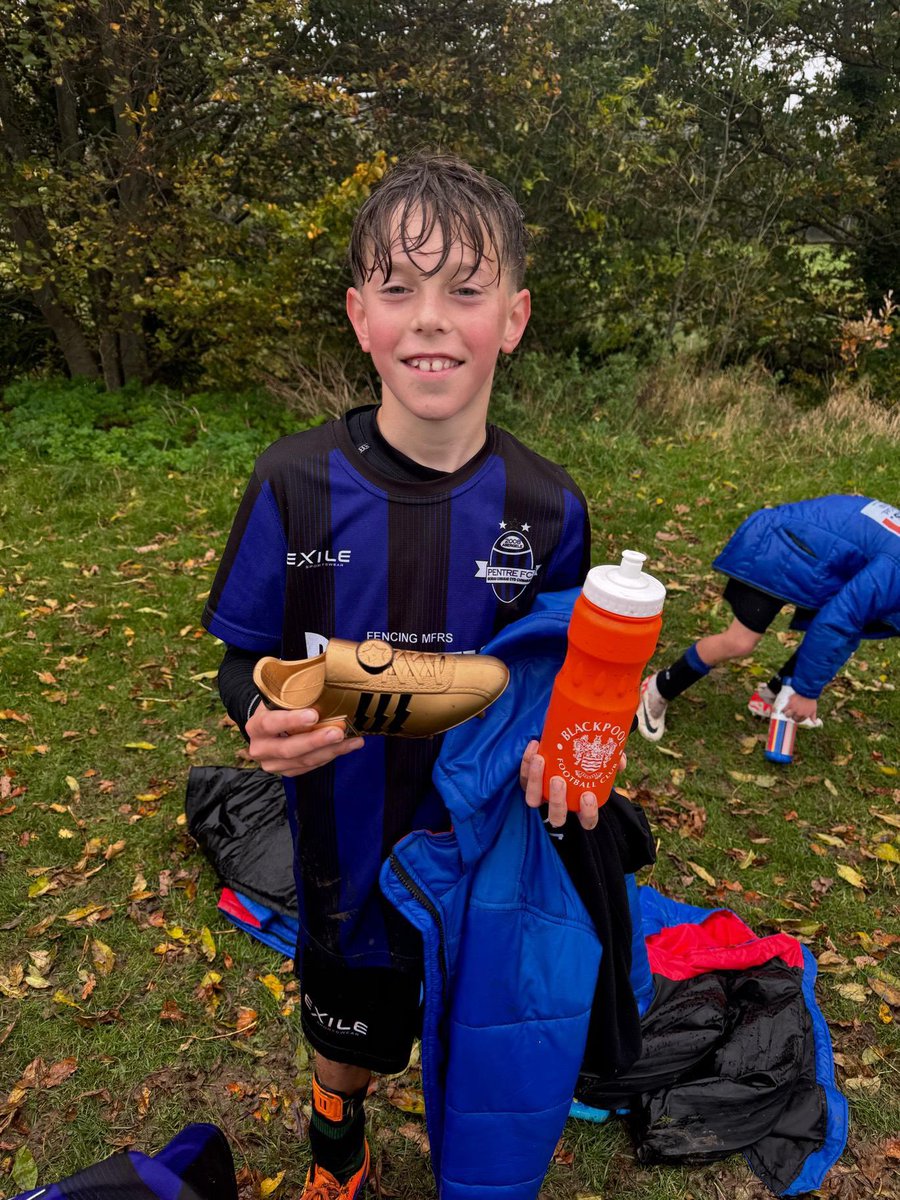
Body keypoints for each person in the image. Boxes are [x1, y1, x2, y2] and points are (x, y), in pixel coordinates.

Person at [202, 152, 599, 1199]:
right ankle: (340, 1135)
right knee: (353, 1041)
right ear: (360, 318)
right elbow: (243, 660)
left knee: (476, 1034)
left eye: (464, 291)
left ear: (511, 317)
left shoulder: (551, 510)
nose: (431, 319)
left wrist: (567, 747)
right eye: (399, 289)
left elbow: (560, 678)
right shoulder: (292, 482)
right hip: (346, 852)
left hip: (488, 858)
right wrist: (258, 713)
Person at [637, 495, 900, 743]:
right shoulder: (895, 569)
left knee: (847, 624)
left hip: (817, 552)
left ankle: (771, 695)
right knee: (740, 641)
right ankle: (658, 689)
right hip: (780, 543)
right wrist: (806, 692)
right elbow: (837, 623)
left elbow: (851, 624)